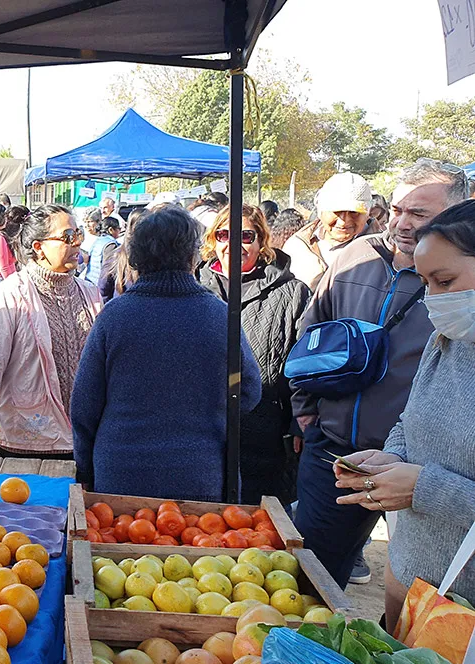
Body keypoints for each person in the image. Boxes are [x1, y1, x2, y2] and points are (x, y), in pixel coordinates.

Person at [292, 159, 467, 586]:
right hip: (339, 450)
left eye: (419, 214)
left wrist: (421, 481)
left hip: (412, 480)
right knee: (309, 574)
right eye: (397, 210)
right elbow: (311, 332)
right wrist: (305, 408)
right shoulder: (355, 257)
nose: (403, 223)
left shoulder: (460, 308)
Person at [333, 199, 475, 629]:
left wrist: (425, 488)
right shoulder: (446, 341)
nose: (433, 299)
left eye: (445, 281)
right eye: (426, 282)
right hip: (411, 584)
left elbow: (431, 485)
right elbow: (409, 422)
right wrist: (391, 458)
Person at [70, 206, 262, 501]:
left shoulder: (115, 316)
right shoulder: (220, 317)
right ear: (192, 256)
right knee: (202, 547)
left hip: (120, 475)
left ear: (136, 257)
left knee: (117, 547)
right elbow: (247, 392)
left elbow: (84, 406)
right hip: (200, 473)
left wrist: (85, 468)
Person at [0, 205, 101, 459]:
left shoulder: (89, 293)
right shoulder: (10, 296)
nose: (77, 243)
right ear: (39, 248)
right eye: (68, 237)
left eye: (79, 235)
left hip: (82, 435)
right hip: (27, 437)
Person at [195, 205, 311, 503]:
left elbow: (303, 364)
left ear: (262, 242)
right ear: (213, 240)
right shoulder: (195, 288)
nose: (233, 244)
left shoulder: (292, 293)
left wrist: (298, 419)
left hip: (264, 433)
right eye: (224, 235)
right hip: (203, 431)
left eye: (245, 236)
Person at [283, 172, 377, 288]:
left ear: (368, 213)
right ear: (320, 211)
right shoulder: (297, 246)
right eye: (336, 212)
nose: (344, 221)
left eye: (354, 213)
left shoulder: (384, 251)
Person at [84, 215, 121, 300]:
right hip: (99, 289)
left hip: (89, 284)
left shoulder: (97, 241)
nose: (119, 231)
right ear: (111, 230)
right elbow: (108, 272)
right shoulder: (111, 245)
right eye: (118, 229)